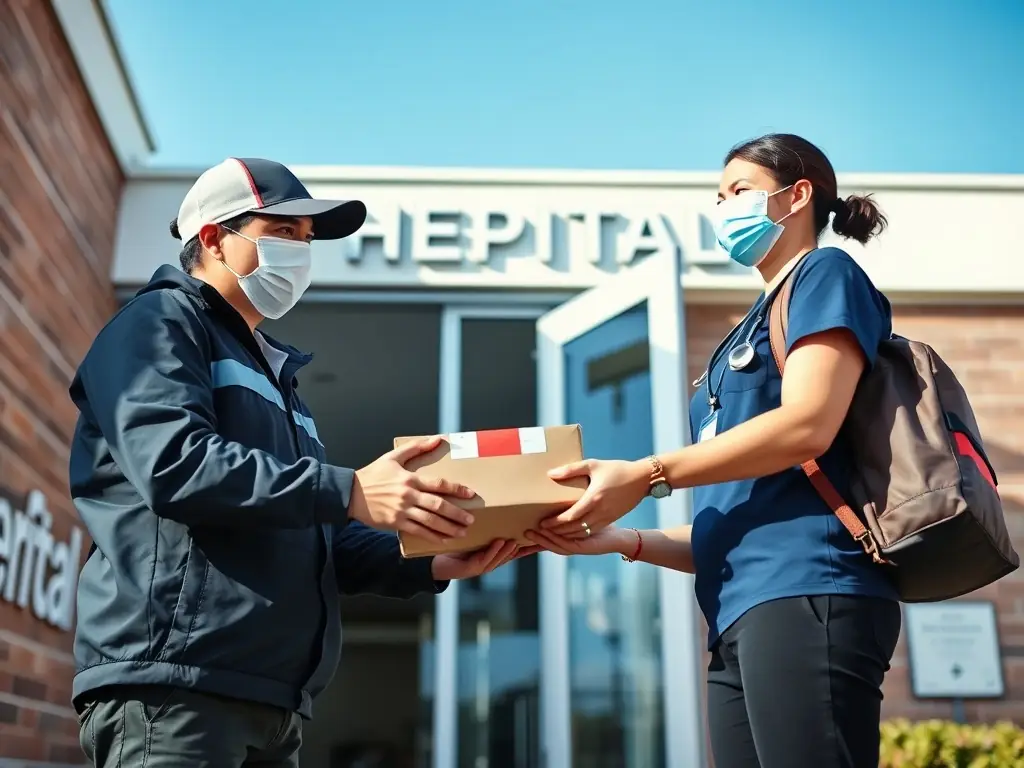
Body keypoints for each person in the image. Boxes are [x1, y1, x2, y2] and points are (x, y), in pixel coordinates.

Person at [69, 157, 521, 767]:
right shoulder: (158, 323)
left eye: (305, 241)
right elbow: (174, 464)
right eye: (283, 233)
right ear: (212, 239)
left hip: (273, 705)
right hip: (175, 691)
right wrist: (350, 489)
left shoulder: (276, 378)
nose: (299, 253)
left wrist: (428, 559)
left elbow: (316, 537)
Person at [527, 134, 903, 768]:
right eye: (718, 196)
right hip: (737, 613)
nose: (723, 207)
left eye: (739, 191)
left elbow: (808, 423)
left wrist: (647, 474)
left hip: (809, 588)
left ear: (797, 196)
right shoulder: (750, 324)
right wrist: (625, 540)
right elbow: (731, 518)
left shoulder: (824, 274)